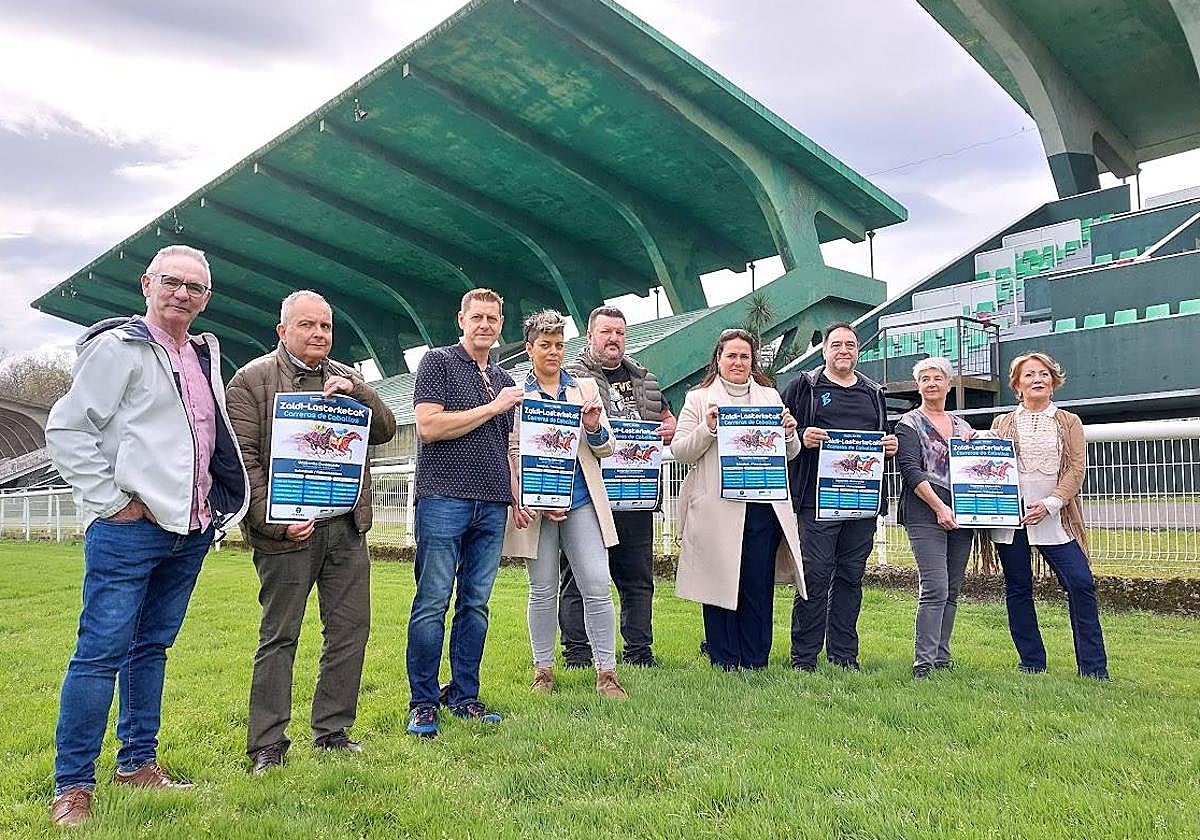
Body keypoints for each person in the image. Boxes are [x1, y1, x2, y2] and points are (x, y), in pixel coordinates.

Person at [44, 245, 250, 827]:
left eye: (195, 287)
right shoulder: (119, 348)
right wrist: (113, 501)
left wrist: (213, 507)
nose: (183, 293)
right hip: (131, 530)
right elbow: (65, 429)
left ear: (206, 298)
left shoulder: (203, 354)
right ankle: (73, 784)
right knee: (99, 653)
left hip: (190, 528)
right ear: (147, 284)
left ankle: (137, 762)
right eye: (172, 282)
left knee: (150, 648)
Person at [225, 291, 396, 774]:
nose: (319, 334)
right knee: (280, 636)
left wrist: (360, 391)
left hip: (345, 528)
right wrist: (273, 519)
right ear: (283, 331)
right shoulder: (251, 381)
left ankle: (333, 731)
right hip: (286, 534)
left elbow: (384, 428)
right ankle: (267, 743)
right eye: (308, 326)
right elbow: (244, 464)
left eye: (326, 326)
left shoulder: (347, 378)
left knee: (349, 631)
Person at [405, 289, 525, 738]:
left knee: (475, 604)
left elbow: (504, 446)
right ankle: (422, 702)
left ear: (500, 323)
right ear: (462, 319)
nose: (485, 325)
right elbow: (429, 426)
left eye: (493, 318)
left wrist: (514, 492)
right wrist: (494, 406)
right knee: (432, 601)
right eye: (477, 317)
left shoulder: (501, 375)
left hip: (492, 501)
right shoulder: (437, 362)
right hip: (444, 497)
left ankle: (464, 695)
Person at [504, 310, 627, 698]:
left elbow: (606, 448)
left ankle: (607, 672)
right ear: (529, 349)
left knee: (595, 582)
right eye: (545, 345)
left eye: (559, 345)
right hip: (536, 504)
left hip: (580, 501)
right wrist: (521, 498)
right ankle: (543, 669)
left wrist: (592, 426)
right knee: (542, 588)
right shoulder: (515, 395)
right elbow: (510, 449)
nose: (553, 352)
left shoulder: (586, 389)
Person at [673, 328, 804, 670]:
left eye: (744, 356)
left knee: (758, 584)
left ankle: (756, 658)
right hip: (717, 508)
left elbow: (790, 453)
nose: (738, 362)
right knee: (719, 582)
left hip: (762, 507)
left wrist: (789, 434)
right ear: (718, 359)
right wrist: (708, 428)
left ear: (752, 361)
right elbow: (680, 451)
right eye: (731, 355)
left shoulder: (771, 397)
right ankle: (724, 657)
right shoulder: (698, 399)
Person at [558, 306, 675, 669]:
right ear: (591, 336)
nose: (614, 339)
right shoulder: (571, 377)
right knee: (578, 575)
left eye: (620, 333)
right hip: (590, 494)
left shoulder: (645, 378)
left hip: (638, 494)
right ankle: (577, 652)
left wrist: (668, 428)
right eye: (606, 332)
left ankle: (639, 651)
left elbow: (667, 417)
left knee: (638, 577)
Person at [782, 322, 897, 672]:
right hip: (816, 501)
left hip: (861, 502)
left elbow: (884, 435)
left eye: (850, 344)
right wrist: (802, 435)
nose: (843, 350)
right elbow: (777, 428)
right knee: (815, 576)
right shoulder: (805, 386)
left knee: (850, 576)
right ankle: (804, 656)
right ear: (825, 350)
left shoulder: (872, 391)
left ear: (858, 349)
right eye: (836, 344)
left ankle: (844, 654)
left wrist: (891, 444)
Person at [989, 352, 1109, 679]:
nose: (1037, 379)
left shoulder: (1069, 422)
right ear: (1017, 384)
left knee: (1081, 583)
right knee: (1018, 587)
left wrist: (1052, 503)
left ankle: (1094, 668)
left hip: (1055, 517)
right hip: (1012, 520)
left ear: (1053, 381)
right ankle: (1031, 662)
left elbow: (1076, 468)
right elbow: (989, 465)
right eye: (1029, 375)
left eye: (1043, 374)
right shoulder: (1002, 423)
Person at [895, 357, 975, 678]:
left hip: (962, 512)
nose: (931, 383)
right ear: (918, 386)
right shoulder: (908, 424)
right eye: (925, 379)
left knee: (953, 588)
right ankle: (923, 662)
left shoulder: (962, 426)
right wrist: (939, 507)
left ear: (948, 384)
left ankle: (942, 656)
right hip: (925, 511)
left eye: (937, 378)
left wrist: (978, 441)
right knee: (935, 587)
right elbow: (911, 471)